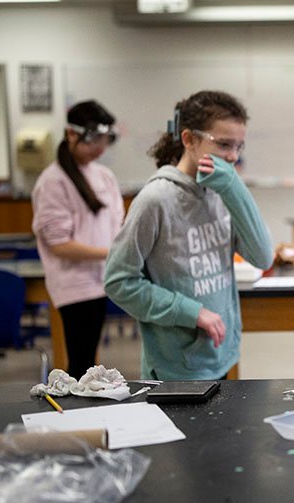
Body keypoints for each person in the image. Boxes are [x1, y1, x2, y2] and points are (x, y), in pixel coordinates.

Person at [104, 90, 273, 381]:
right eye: (223, 145)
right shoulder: (156, 199)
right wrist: (191, 312)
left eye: (239, 147)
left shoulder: (222, 191)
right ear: (189, 139)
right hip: (174, 368)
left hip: (221, 354)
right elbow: (119, 281)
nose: (232, 157)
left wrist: (234, 188)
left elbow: (263, 256)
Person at [31, 100, 124, 379]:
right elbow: (59, 244)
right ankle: (76, 418)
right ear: (71, 134)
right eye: (93, 140)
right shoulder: (53, 181)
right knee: (81, 361)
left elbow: (117, 222)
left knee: (88, 362)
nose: (100, 148)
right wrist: (110, 253)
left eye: (104, 141)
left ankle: (85, 414)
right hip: (75, 285)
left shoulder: (104, 175)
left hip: (102, 280)